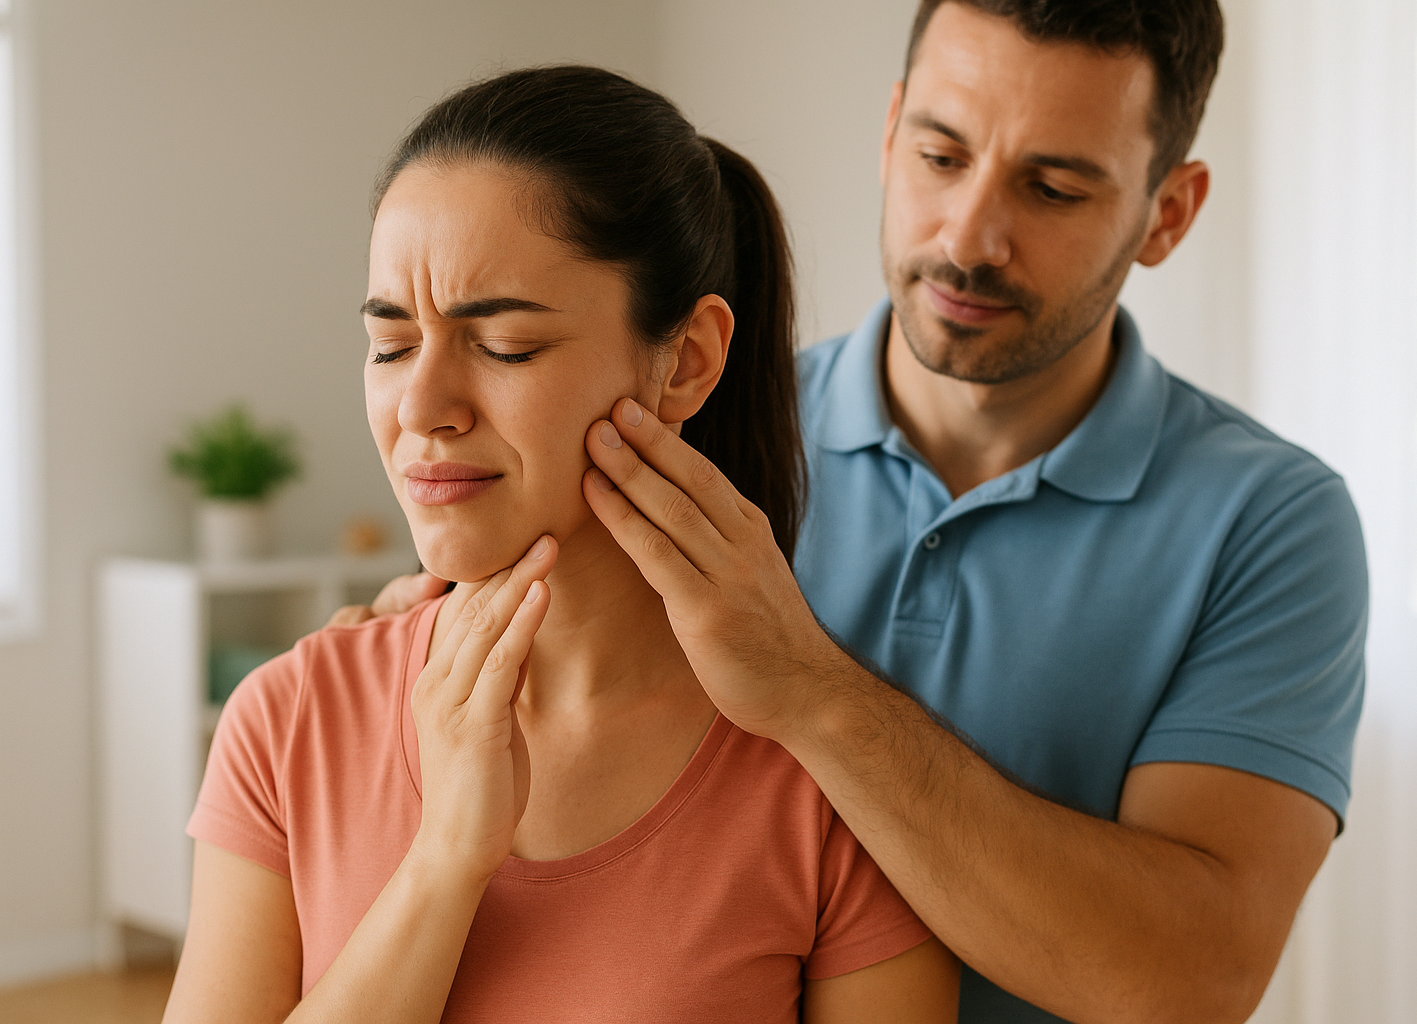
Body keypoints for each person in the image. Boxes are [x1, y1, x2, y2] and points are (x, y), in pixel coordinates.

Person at [347, 2, 1369, 1022]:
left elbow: (1194, 982)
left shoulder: (1271, 523)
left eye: (1052, 188)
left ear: (1168, 215)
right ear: (888, 133)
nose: (969, 236)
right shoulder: (688, 434)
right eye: (939, 155)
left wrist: (811, 689)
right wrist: (393, 657)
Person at [164, 65, 960, 1024]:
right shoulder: (289, 719)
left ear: (688, 361)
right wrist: (447, 859)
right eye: (391, 344)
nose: (421, 409)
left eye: (505, 346)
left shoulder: (831, 781)